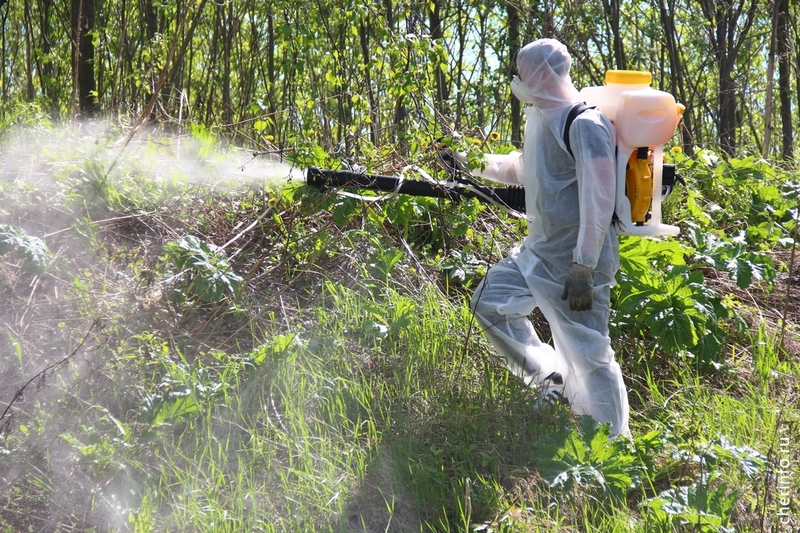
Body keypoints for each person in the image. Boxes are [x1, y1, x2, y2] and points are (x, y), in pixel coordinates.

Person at [468, 39, 629, 438]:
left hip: (579, 260)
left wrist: (584, 265)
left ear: (539, 75)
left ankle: (612, 446)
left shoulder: (585, 123)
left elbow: (599, 197)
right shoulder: (541, 116)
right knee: (488, 302)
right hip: (539, 250)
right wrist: (471, 162)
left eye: (521, 74)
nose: (516, 81)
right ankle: (549, 378)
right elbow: (524, 168)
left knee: (589, 351)